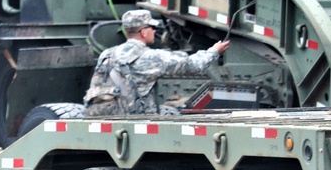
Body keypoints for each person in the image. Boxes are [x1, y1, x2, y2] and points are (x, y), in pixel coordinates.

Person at [83, 10, 231, 116]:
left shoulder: (107, 54)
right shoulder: (148, 57)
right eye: (152, 28)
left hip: (102, 116)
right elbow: (191, 65)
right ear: (144, 32)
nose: (154, 31)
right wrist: (214, 51)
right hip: (134, 121)